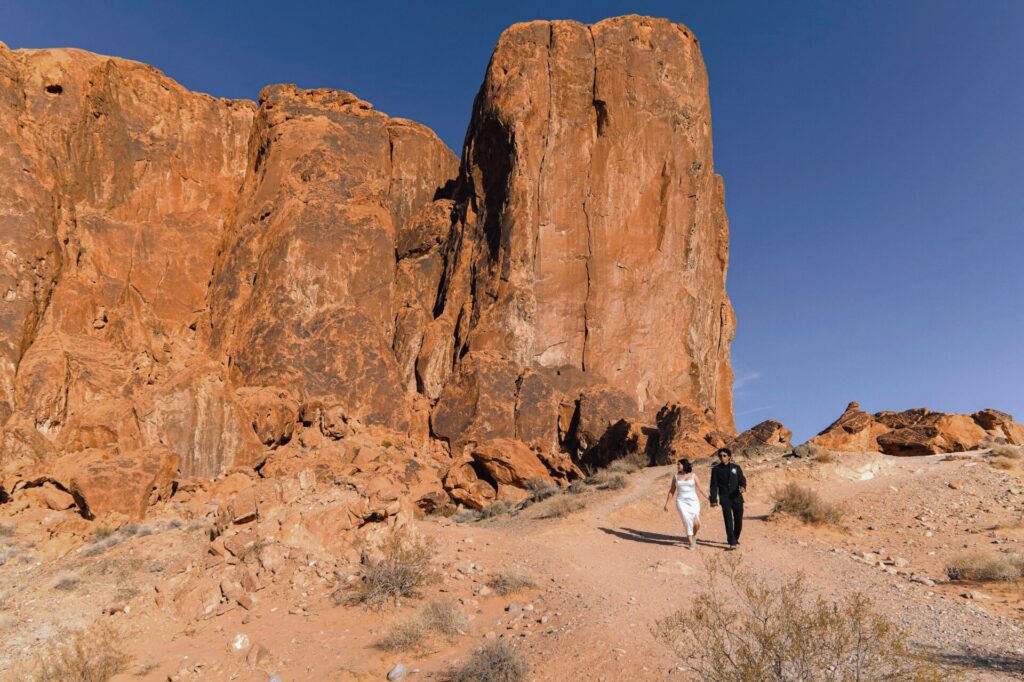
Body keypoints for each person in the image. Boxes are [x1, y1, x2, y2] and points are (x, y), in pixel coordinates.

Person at [663, 457, 706, 549]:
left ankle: (693, 535)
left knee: (696, 523)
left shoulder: (693, 475)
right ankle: (691, 542)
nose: (677, 466)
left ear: (684, 465)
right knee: (686, 520)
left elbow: (701, 488)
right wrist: (667, 503)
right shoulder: (675, 477)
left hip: (693, 501)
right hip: (681, 502)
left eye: (679, 464)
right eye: (677, 465)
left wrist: (710, 498)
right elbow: (671, 491)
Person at [708, 447, 746, 550]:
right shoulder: (715, 470)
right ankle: (732, 541)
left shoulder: (736, 468)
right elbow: (713, 485)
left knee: (738, 520)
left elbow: (742, 480)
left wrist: (742, 487)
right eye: (720, 456)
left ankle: (735, 537)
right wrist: (713, 500)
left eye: (724, 456)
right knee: (728, 519)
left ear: (729, 456)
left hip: (737, 497)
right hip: (725, 498)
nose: (722, 457)